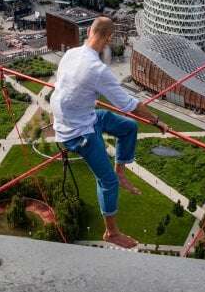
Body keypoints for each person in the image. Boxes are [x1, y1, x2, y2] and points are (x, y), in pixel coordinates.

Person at [51, 16, 169, 249]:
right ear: (108, 38)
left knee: (129, 127)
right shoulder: (97, 69)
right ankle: (111, 232)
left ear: (89, 32)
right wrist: (157, 121)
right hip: (77, 132)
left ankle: (121, 169)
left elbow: (69, 87)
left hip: (81, 116)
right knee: (108, 182)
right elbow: (129, 104)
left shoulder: (71, 53)